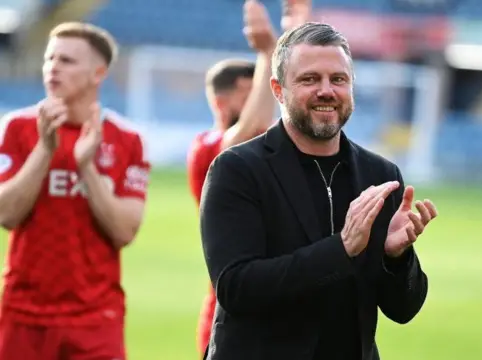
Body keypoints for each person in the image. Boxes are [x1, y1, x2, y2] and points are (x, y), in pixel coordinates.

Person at [199, 21, 438, 360]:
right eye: (309, 79)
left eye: (338, 79)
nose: (327, 90)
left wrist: (396, 258)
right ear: (279, 90)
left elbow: (404, 309)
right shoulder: (237, 169)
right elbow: (236, 288)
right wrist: (341, 250)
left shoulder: (381, 175)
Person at [0, 22, 150, 360]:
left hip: (97, 318)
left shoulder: (127, 140)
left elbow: (125, 230)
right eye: (49, 58)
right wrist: (44, 151)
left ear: (98, 73)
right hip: (24, 314)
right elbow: (6, 215)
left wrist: (87, 166)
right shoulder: (18, 128)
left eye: (67, 61)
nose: (53, 67)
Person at [186, 0, 311, 357]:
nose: (267, 98)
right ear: (222, 102)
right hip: (230, 310)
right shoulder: (207, 148)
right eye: (253, 90)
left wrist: (295, 37)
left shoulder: (276, 147)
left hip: (287, 304)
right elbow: (249, 130)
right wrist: (268, 53)